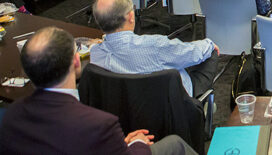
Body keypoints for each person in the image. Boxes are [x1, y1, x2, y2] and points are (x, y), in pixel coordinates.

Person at [0, 26, 196, 155]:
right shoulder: (98, 124)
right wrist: (136, 144)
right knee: (175, 144)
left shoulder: (11, 116)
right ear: (77, 62)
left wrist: (118, 144)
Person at [90, 0, 219, 99]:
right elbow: (192, 54)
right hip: (173, 102)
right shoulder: (154, 46)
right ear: (130, 16)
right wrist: (209, 44)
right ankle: (201, 108)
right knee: (209, 52)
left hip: (129, 107)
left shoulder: (95, 55)